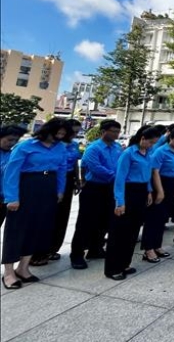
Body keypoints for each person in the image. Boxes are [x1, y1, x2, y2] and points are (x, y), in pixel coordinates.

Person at [2, 118, 68, 290]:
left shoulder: (60, 147)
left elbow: (61, 169)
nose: (60, 137)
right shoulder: (26, 146)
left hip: (48, 187)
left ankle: (23, 268)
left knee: (37, 228)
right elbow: (12, 172)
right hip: (27, 187)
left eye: (63, 134)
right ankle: (8, 273)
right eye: (57, 133)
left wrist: (60, 190)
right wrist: (12, 197)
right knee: (16, 230)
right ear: (47, 130)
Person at [105, 126, 162, 280]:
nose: (152, 146)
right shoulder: (128, 154)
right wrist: (120, 202)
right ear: (142, 138)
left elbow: (147, 174)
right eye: (150, 142)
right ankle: (112, 268)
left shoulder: (148, 154)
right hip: (128, 192)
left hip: (142, 192)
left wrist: (149, 190)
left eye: (154, 143)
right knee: (119, 233)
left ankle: (125, 263)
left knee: (133, 231)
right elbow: (120, 179)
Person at [70, 120, 123, 270]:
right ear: (103, 131)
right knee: (86, 222)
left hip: (110, 188)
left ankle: (96, 248)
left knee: (105, 221)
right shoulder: (94, 148)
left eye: (118, 132)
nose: (116, 134)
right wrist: (117, 176)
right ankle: (77, 255)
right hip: (94, 188)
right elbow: (95, 167)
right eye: (113, 131)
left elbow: (121, 164)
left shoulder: (117, 148)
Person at [32, 119, 83, 266]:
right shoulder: (52, 144)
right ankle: (39, 250)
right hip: (49, 180)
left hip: (66, 180)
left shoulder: (72, 145)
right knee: (47, 216)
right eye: (72, 131)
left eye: (77, 132)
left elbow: (74, 163)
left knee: (62, 216)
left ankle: (54, 248)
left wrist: (77, 179)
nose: (74, 134)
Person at [141, 127, 174, 263]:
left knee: (163, 218)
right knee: (153, 218)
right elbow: (155, 172)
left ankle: (157, 246)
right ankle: (148, 249)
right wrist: (160, 191)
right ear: (170, 138)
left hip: (173, 185)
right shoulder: (160, 152)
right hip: (160, 184)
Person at [0, 125, 28, 229]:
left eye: (16, 140)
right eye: (9, 140)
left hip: (4, 200)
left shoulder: (14, 155)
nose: (12, 143)